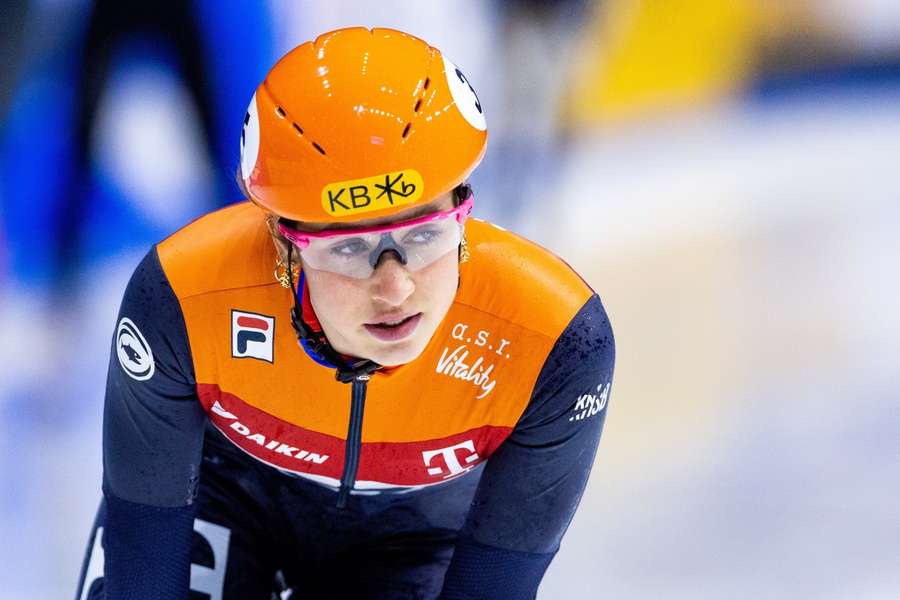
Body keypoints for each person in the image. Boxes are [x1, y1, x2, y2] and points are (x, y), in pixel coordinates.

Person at [76, 27, 614, 600]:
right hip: (228, 495)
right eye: (349, 248)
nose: (394, 287)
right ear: (284, 247)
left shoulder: (549, 337)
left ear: (463, 215)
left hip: (416, 539)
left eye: (424, 234)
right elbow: (143, 574)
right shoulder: (185, 296)